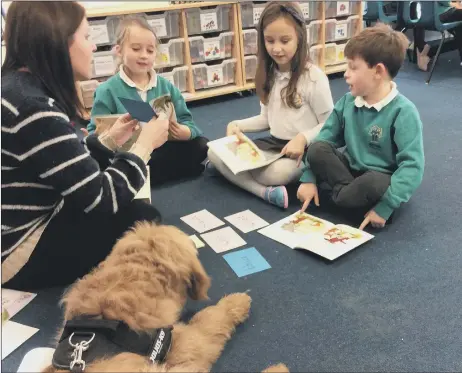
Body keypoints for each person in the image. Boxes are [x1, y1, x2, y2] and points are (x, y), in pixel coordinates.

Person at [1, 2, 170, 291]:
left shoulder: (17, 88)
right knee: (143, 219)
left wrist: (109, 140)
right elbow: (102, 199)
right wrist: (144, 145)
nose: (93, 48)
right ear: (59, 41)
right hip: (20, 253)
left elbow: (61, 166)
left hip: (25, 224)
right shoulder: (34, 106)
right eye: (87, 37)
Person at [297, 23, 425, 230]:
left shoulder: (404, 112)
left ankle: (341, 199)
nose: (346, 74)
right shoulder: (348, 102)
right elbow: (325, 140)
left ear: (378, 71)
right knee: (316, 148)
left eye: (353, 67)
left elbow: (412, 167)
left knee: (373, 182)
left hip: (378, 181)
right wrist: (308, 178)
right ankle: (350, 202)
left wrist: (386, 206)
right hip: (349, 173)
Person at [207, 2, 334, 209]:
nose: (276, 48)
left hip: (303, 151)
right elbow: (266, 118)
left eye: (285, 40)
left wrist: (303, 138)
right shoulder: (269, 73)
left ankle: (250, 179)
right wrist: (239, 124)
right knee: (213, 152)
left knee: (274, 173)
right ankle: (264, 192)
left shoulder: (314, 77)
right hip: (274, 144)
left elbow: (330, 125)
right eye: (269, 40)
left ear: (299, 37)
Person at [87, 16, 208, 186]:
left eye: (150, 51)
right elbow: (95, 135)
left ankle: (141, 178)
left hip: (160, 148)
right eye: (136, 49)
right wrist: (108, 135)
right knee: (103, 162)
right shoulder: (106, 90)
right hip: (128, 153)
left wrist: (184, 132)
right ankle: (155, 175)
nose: (144, 55)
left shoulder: (166, 86)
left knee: (202, 145)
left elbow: (189, 123)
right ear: (119, 50)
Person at [414, 1, 462, 71]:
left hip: (437, 13)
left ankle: (428, 52)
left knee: (459, 31)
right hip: (437, 14)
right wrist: (452, 3)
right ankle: (427, 52)